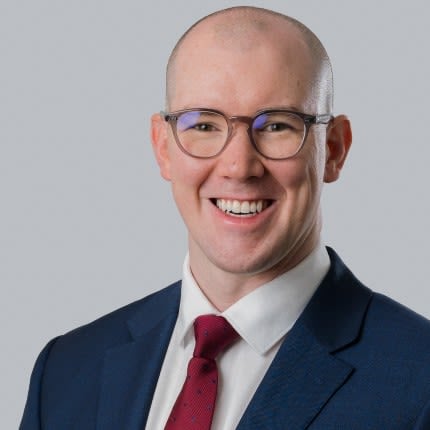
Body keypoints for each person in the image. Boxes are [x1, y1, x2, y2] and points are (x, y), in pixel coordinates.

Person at [20, 6, 430, 429]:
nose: (239, 166)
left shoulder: (419, 382)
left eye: (277, 126)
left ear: (335, 149)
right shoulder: (66, 370)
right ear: (162, 147)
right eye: (204, 125)